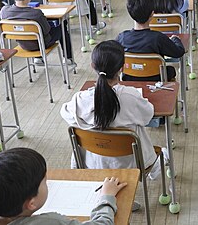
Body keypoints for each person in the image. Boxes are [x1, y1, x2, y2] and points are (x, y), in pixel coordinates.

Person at [61, 41, 161, 209]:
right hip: (131, 162)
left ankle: (108, 196)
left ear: (92, 66)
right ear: (122, 68)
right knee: (159, 152)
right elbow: (148, 116)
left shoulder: (81, 100)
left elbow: (65, 113)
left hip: (93, 162)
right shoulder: (130, 96)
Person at [0, 148, 126, 225]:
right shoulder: (50, 222)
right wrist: (107, 197)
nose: (48, 182)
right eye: (44, 182)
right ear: (31, 203)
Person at [0, 0, 74, 65]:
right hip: (42, 44)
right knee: (62, 25)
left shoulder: (4, 11)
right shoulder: (36, 14)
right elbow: (47, 30)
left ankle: (38, 59)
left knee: (33, 32)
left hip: (22, 44)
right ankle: (68, 58)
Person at [116, 0, 185, 82]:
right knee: (170, 70)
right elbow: (179, 52)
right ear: (152, 14)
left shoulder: (122, 37)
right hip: (156, 79)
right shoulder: (158, 38)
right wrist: (176, 39)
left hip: (129, 78)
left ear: (131, 14)